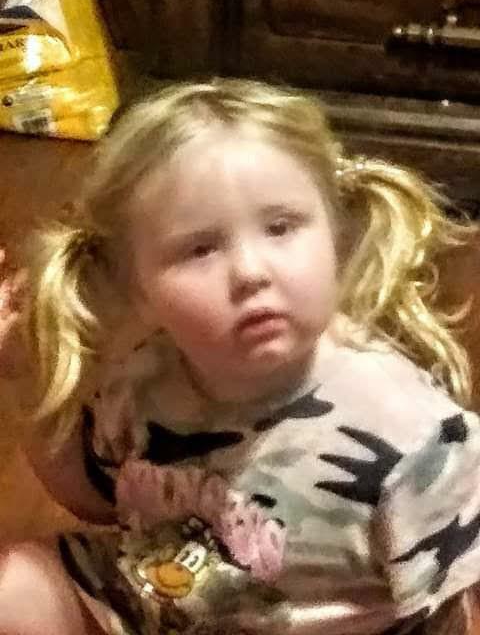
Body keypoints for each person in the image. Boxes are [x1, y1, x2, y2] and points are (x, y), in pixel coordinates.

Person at [1, 77, 480, 635]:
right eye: (199, 249)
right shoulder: (140, 379)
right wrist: (21, 371)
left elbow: (455, 614)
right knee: (16, 587)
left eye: (281, 228)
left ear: (338, 236)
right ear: (136, 286)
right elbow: (98, 501)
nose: (251, 272)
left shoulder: (417, 439)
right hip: (163, 599)